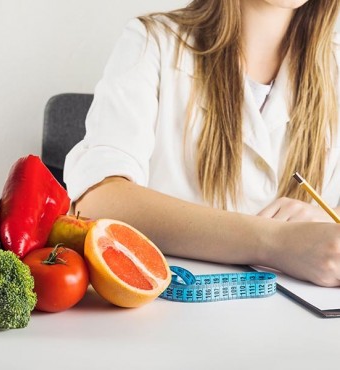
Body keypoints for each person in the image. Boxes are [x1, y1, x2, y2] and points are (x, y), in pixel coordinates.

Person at [64, 0, 340, 287]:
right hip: (168, 317)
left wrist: (322, 221)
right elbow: (97, 201)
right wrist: (273, 242)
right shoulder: (153, 42)